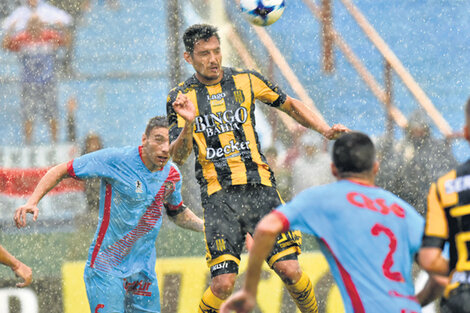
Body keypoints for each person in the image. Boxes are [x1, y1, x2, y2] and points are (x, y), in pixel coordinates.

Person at [166, 23, 348, 313]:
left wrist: (323, 129)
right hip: (218, 198)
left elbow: (288, 104)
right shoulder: (181, 97)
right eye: (204, 54)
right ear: (189, 57)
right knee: (223, 284)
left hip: (260, 189)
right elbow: (178, 156)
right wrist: (188, 123)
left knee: (290, 270)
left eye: (216, 51)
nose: (213, 59)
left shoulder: (246, 80)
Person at [13, 116, 204, 313]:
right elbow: (62, 169)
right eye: (158, 139)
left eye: (169, 141)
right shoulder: (116, 160)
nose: (165, 148)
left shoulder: (172, 175)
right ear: (144, 139)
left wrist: (208, 228)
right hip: (106, 269)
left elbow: (178, 213)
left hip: (143, 272)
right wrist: (32, 201)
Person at [221, 132, 425, 313]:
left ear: (333, 169)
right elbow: (439, 268)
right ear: (375, 167)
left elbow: (265, 228)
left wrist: (249, 290)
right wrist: (416, 302)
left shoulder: (322, 199)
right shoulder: (403, 210)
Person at [417, 98, 470, 313]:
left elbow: (429, 260)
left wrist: (459, 269)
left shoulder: (443, 187)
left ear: (465, 133)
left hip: (462, 296)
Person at [2, 13, 68, 144]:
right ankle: (28, 144)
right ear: (27, 25)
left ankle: (54, 143)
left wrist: (63, 29)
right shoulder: (22, 37)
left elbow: (66, 42)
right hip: (28, 83)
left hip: (47, 82)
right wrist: (10, 30)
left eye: (37, 23)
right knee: (28, 115)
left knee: (52, 114)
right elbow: (5, 46)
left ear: (42, 24)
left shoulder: (49, 35)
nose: (34, 26)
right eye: (31, 23)